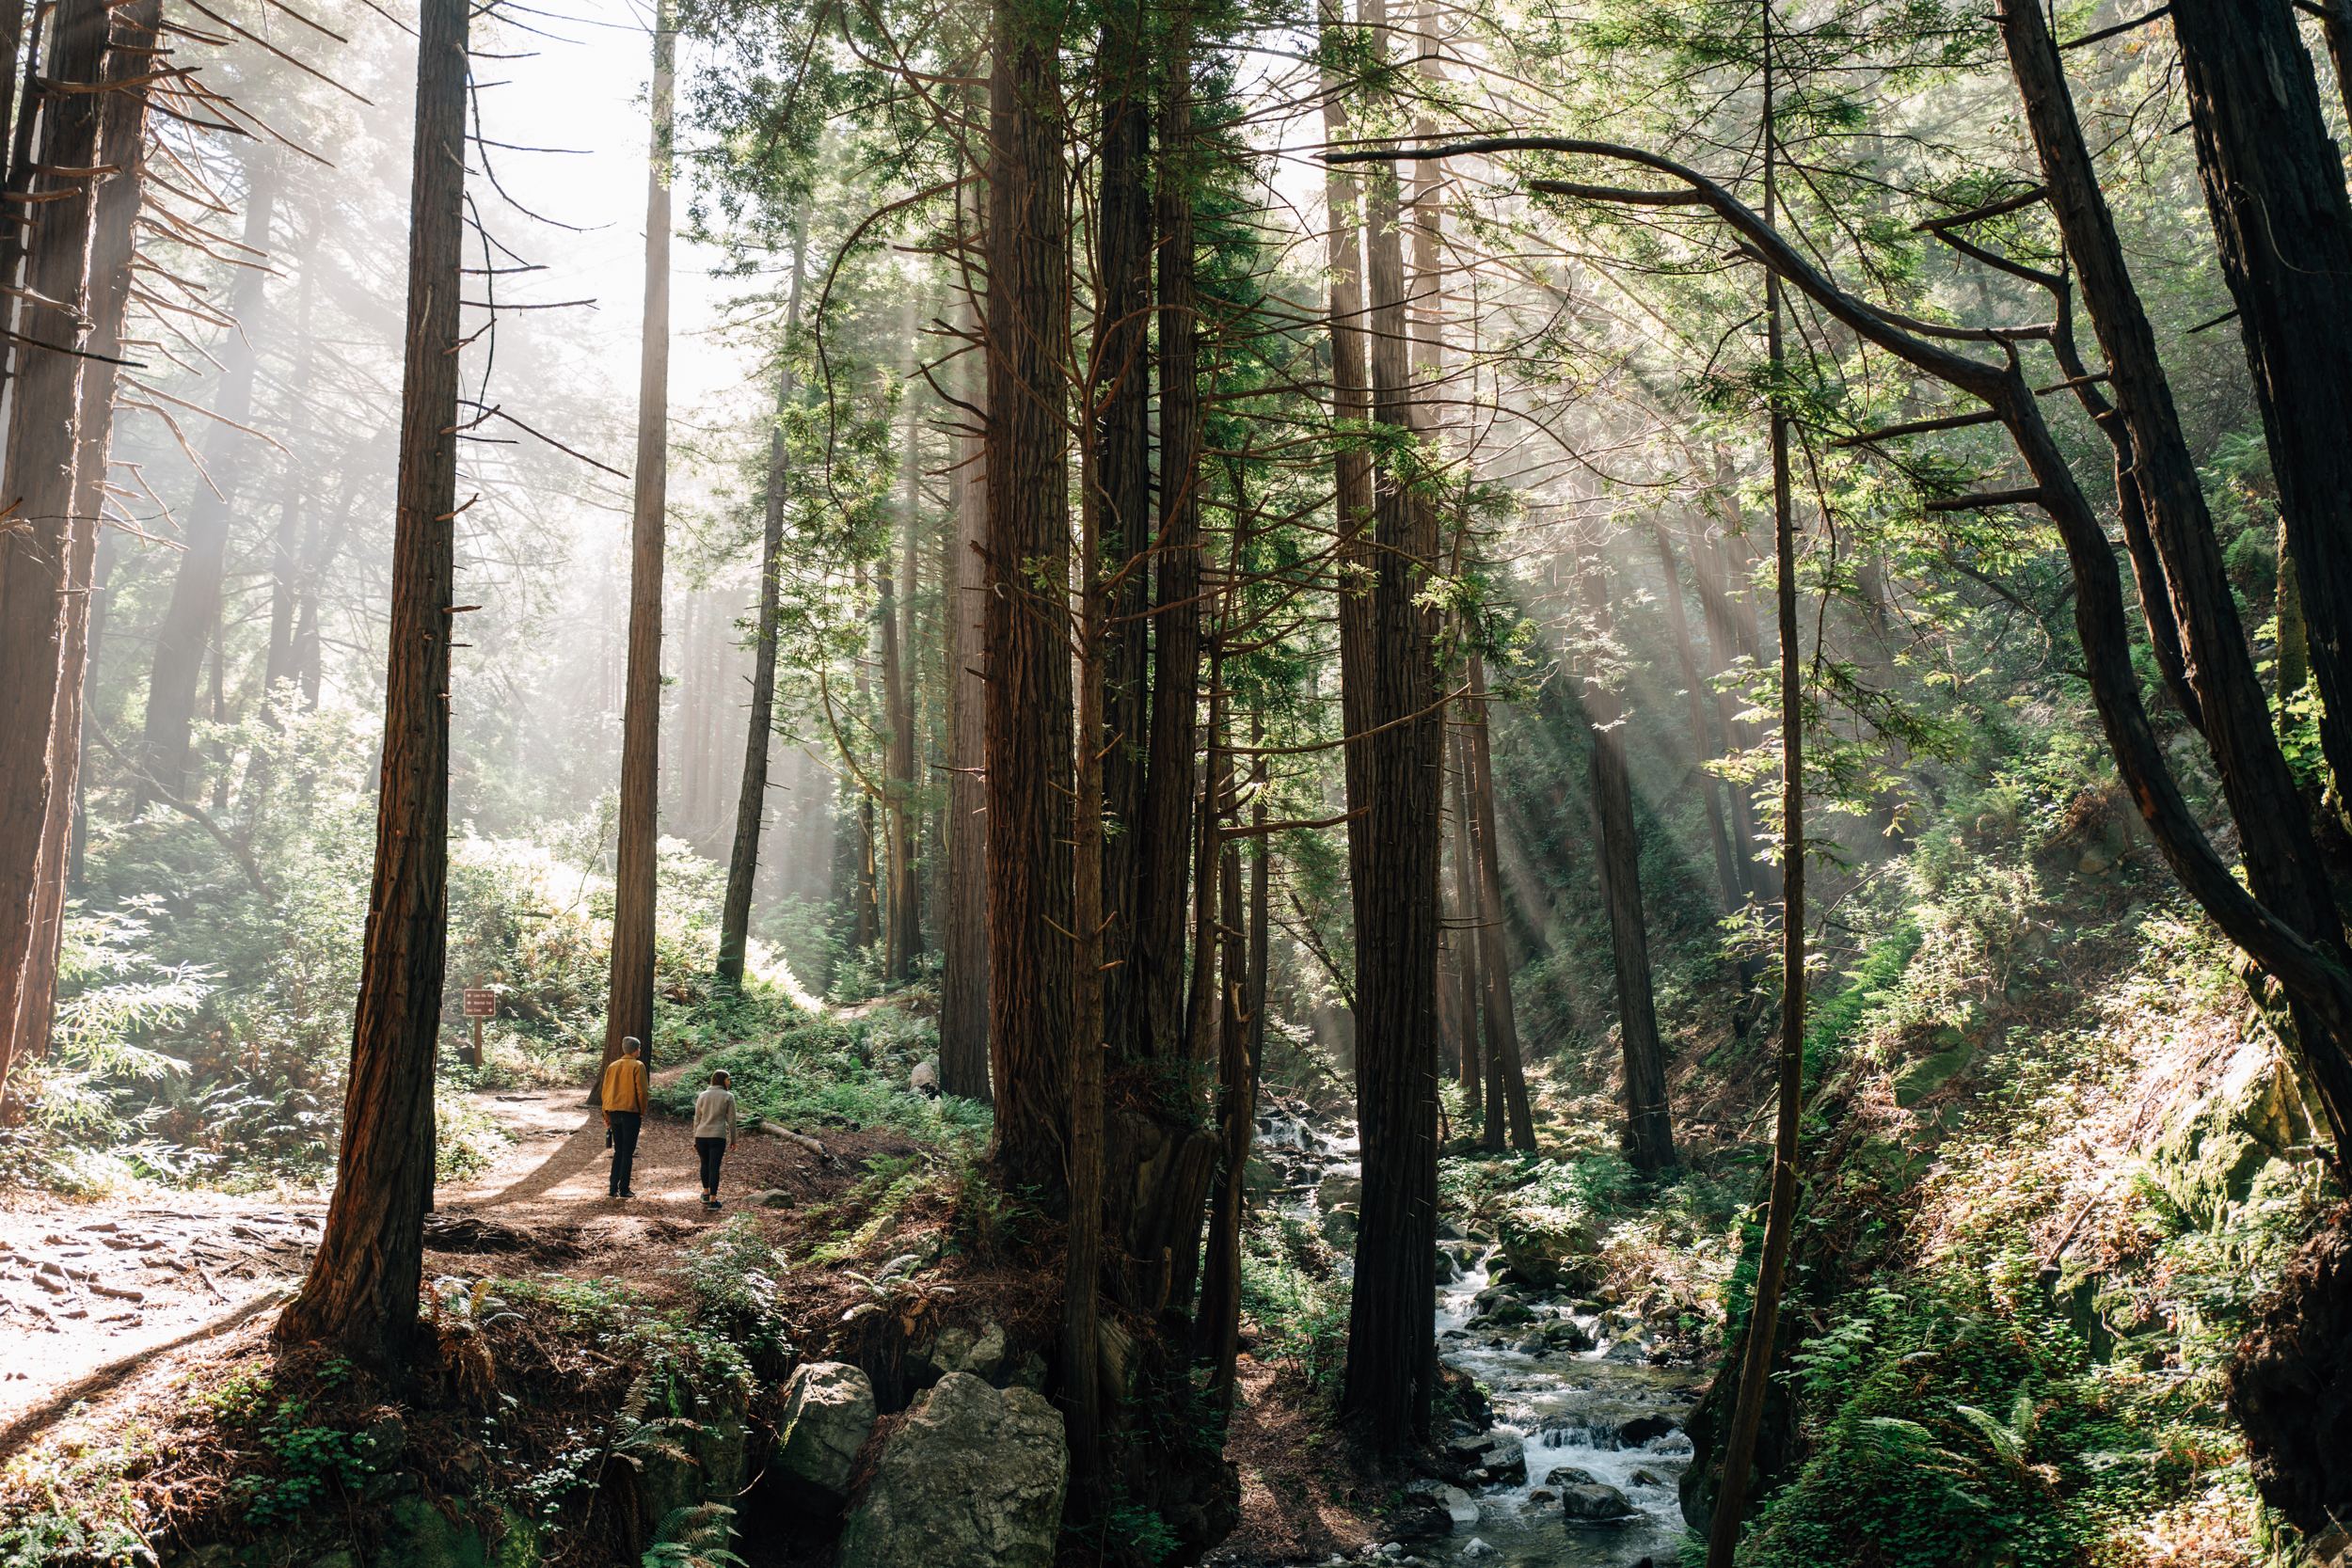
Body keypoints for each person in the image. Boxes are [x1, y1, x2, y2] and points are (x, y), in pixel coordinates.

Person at [599, 1037, 649, 1199]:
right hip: (631, 1113)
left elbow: (605, 1091)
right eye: (639, 1049)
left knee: (618, 1150)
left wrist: (605, 1113)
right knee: (627, 1151)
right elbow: (642, 1091)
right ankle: (624, 1188)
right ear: (636, 1050)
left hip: (613, 1112)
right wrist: (642, 1110)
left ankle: (612, 1187)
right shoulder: (638, 1065)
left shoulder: (612, 1066)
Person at [692, 1069, 740, 1211]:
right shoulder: (728, 1096)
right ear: (722, 1080)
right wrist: (733, 1139)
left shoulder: (702, 1095)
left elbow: (697, 1118)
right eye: (728, 1079)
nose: (729, 1082)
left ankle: (706, 1194)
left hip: (701, 1136)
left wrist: (694, 1138)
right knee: (714, 1167)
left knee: (704, 1164)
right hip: (717, 1136)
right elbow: (732, 1120)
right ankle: (713, 1201)